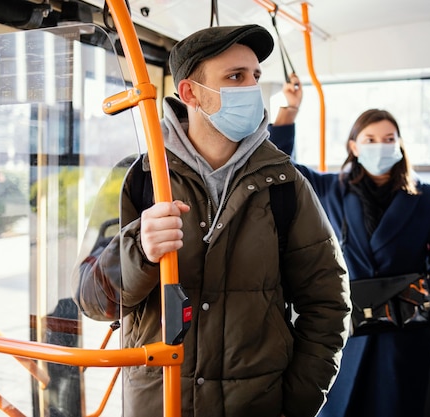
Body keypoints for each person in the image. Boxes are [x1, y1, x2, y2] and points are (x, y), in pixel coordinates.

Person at [76, 24, 351, 417]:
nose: (252, 89)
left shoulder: (285, 184)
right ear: (191, 93)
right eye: (235, 77)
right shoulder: (136, 178)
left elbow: (328, 305)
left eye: (255, 77)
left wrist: (297, 402)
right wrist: (139, 251)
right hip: (160, 401)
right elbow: (91, 300)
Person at [269, 86, 430, 417]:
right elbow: (279, 165)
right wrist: (288, 112)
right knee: (340, 405)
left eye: (389, 139)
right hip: (346, 325)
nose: (381, 146)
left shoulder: (427, 197)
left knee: (394, 405)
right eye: (371, 139)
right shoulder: (330, 189)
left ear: (400, 145)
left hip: (402, 329)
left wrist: (412, 300)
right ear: (353, 146)